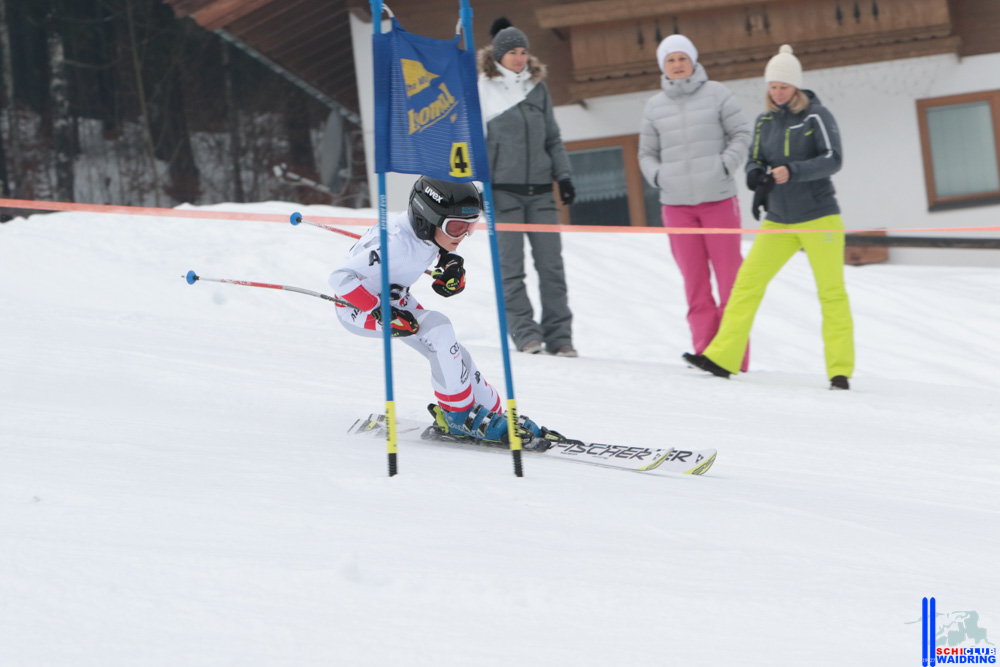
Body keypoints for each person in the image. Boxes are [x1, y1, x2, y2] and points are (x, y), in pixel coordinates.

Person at [683, 45, 855, 390]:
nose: (777, 92)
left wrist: (793, 170)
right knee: (747, 284)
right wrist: (755, 176)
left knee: (831, 293)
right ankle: (722, 358)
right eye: (773, 86)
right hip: (779, 219)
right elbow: (755, 159)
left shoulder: (816, 116)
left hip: (819, 217)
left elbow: (833, 159)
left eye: (784, 86)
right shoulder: (764, 122)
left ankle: (839, 370)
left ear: (796, 86)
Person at [328, 175, 547, 443]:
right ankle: (458, 415)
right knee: (439, 329)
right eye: (457, 227)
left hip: (394, 299)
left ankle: (492, 412)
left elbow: (433, 245)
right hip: (357, 307)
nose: (465, 235)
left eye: (471, 226)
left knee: (454, 352)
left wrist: (450, 262)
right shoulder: (394, 243)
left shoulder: (426, 231)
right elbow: (340, 279)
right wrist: (380, 311)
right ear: (427, 218)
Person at [638, 34, 752, 371]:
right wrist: (658, 176)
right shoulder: (654, 106)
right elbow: (646, 153)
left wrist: (724, 166)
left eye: (682, 58)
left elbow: (742, 134)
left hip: (718, 200)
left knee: (732, 282)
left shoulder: (717, 93)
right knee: (696, 284)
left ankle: (734, 358)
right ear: (663, 66)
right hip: (677, 206)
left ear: (693, 61)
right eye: (670, 59)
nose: (677, 64)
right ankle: (704, 352)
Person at [478, 17, 577, 358]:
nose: (520, 58)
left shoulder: (538, 88)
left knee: (551, 267)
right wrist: (477, 187)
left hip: (541, 194)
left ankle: (561, 338)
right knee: (511, 269)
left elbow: (553, 137)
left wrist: (563, 176)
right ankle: (525, 335)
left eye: (524, 52)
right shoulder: (482, 88)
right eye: (513, 52)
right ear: (499, 55)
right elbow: (473, 143)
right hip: (502, 192)